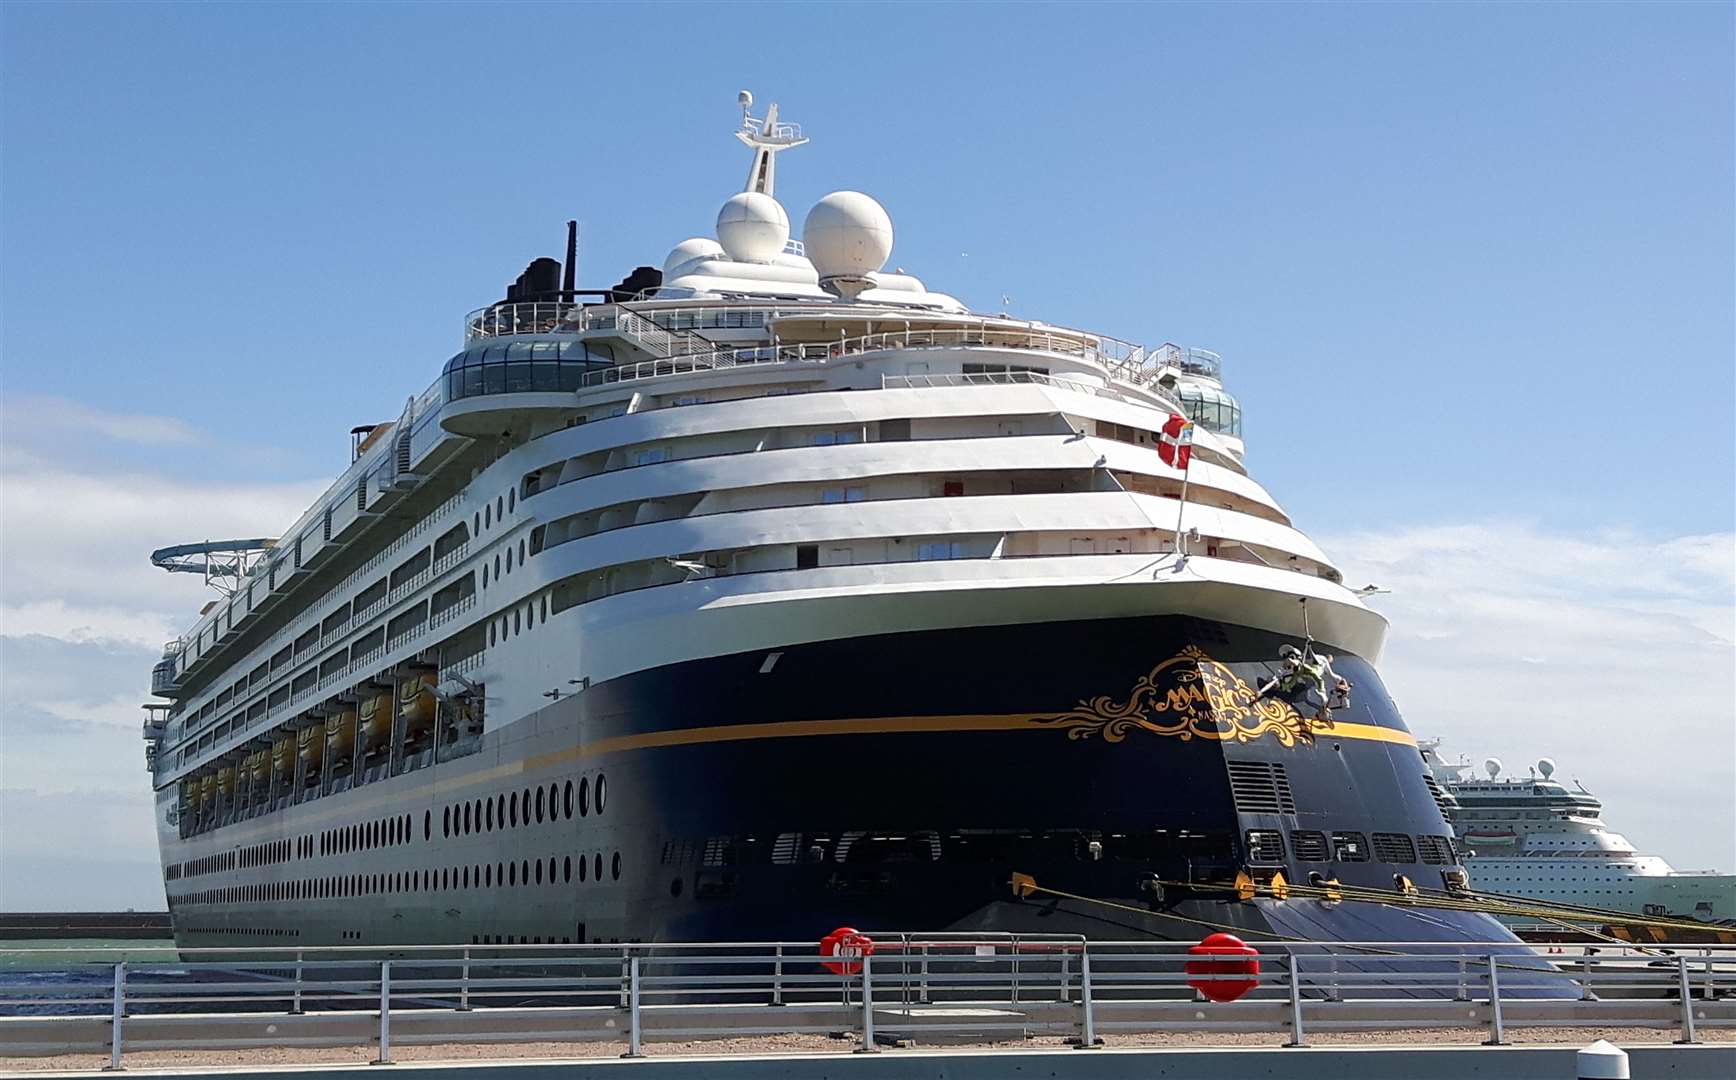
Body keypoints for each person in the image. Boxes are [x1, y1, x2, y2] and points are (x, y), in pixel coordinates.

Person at [1256, 643, 1352, 723]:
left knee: (1322, 698)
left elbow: (1318, 673)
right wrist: (1279, 685)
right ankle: (1325, 707)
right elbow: (1292, 679)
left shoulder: (1320, 662)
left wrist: (1309, 645)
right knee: (1289, 683)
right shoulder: (1299, 670)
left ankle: (1325, 711)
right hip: (1307, 678)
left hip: (1315, 679)